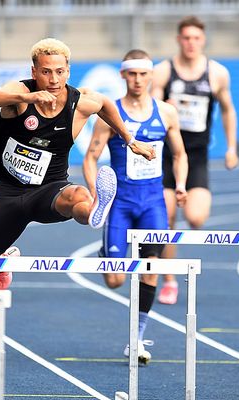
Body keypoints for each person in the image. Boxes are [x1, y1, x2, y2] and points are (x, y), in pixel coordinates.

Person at [0, 38, 155, 290]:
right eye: (46, 72)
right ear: (34, 72)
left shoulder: (80, 102)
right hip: (9, 194)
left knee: (78, 196)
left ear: (68, 71)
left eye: (59, 72)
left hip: (49, 189)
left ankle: (95, 211)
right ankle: (3, 260)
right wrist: (25, 97)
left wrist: (130, 139)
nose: (53, 79)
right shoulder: (19, 94)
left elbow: (105, 104)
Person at [83, 49, 188, 363]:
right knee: (115, 279)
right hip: (120, 204)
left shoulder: (166, 112)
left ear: (151, 75)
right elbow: (90, 157)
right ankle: (107, 253)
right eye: (132, 74)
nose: (138, 80)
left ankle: (137, 339)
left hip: (153, 202)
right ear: (123, 75)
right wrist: (94, 193)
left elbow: (180, 154)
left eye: (144, 74)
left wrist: (180, 184)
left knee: (150, 269)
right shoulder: (110, 114)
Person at [151, 15, 239, 305]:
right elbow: (149, 107)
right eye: (186, 38)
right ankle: (170, 280)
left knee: (196, 217)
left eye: (196, 38)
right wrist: (164, 107)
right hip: (166, 154)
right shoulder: (163, 71)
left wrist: (231, 147)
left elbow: (228, 109)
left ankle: (167, 265)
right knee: (167, 218)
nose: (191, 43)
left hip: (197, 156)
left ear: (203, 40)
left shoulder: (216, 74)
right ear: (179, 39)